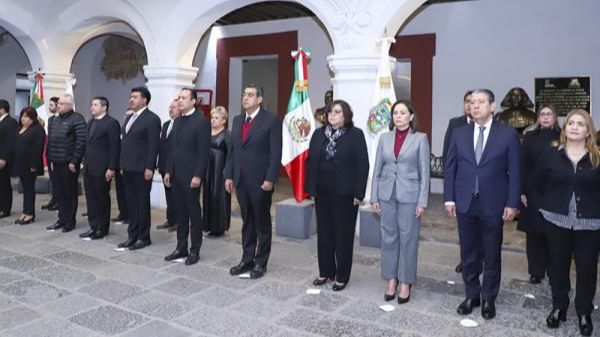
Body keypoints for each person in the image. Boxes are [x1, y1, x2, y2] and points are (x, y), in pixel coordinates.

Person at [444, 89, 520, 320]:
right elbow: (451, 168)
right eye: (471, 102)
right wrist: (449, 198)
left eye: (480, 102)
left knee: (491, 253)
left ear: (492, 106)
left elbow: (515, 171)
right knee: (468, 253)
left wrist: (512, 202)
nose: (475, 106)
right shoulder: (459, 133)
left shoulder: (507, 134)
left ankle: (488, 298)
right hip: (465, 202)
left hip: (494, 203)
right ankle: (472, 295)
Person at [538, 109, 600, 336]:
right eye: (571, 123)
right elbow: (538, 182)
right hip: (556, 220)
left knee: (586, 268)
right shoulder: (552, 154)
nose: (574, 126)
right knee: (557, 266)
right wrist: (549, 204)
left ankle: (584, 311)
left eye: (580, 124)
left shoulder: (597, 157)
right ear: (565, 129)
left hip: (590, 224)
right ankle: (559, 307)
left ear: (588, 131)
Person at [305, 99, 369, 291]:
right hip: (322, 193)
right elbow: (310, 162)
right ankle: (325, 272)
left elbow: (363, 165)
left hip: (346, 194)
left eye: (337, 112)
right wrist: (311, 190)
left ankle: (342, 275)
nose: (332, 115)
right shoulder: (318, 134)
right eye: (330, 112)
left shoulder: (355, 135)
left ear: (346, 115)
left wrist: (359, 193)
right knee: (324, 234)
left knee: (343, 235)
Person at [371, 100, 430, 303]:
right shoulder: (384, 138)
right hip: (386, 194)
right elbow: (377, 168)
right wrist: (374, 197)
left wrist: (422, 201)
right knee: (388, 238)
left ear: (411, 116)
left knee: (408, 239)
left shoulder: (420, 139)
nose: (398, 116)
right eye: (395, 112)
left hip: (410, 195)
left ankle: (405, 282)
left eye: (403, 112)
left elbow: (425, 173)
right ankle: (391, 280)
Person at [225, 84, 282, 279]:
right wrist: (229, 175)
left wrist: (270, 178)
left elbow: (275, 154)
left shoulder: (271, 120)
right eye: (244, 95)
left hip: (260, 181)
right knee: (247, 221)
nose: (245, 98)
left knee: (262, 222)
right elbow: (233, 151)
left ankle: (260, 262)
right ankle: (247, 258)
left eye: (250, 95)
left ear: (259, 99)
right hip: (241, 180)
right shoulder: (237, 119)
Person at [163, 88, 211, 265]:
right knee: (180, 214)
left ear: (194, 101)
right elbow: (172, 150)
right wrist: (168, 170)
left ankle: (194, 250)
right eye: (179, 98)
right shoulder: (178, 121)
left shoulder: (201, 122)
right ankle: (180, 247)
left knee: (193, 214)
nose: (180, 101)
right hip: (176, 175)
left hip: (191, 176)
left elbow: (203, 152)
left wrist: (198, 175)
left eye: (184, 98)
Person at [517, 104, 560, 284]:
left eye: (549, 114)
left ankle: (554, 270)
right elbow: (522, 165)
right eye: (542, 114)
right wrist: (522, 191)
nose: (545, 117)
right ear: (538, 117)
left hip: (555, 191)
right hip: (533, 191)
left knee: (554, 234)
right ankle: (536, 271)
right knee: (534, 234)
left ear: (555, 117)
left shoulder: (562, 137)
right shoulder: (530, 137)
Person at [118, 87, 161, 250]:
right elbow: (125, 142)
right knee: (131, 204)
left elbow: (153, 146)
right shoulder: (130, 118)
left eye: (135, 97)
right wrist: (122, 164)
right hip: (128, 168)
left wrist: (150, 167)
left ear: (144, 100)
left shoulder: (152, 119)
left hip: (142, 169)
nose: (131, 100)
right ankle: (132, 235)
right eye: (131, 97)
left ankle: (144, 237)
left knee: (141, 204)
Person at [79, 97, 120, 240]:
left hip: (103, 167)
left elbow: (115, 148)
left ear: (104, 107)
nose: (92, 107)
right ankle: (93, 226)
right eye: (92, 104)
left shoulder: (111, 123)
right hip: (89, 167)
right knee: (91, 198)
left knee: (102, 198)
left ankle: (102, 228)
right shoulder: (90, 122)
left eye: (95, 105)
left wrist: (111, 168)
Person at [46, 94, 87, 233]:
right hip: (55, 162)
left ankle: (70, 221)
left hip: (68, 164)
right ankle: (61, 219)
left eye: (62, 104)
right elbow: (51, 142)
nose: (58, 106)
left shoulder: (77, 119)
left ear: (70, 106)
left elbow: (80, 142)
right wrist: (50, 160)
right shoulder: (55, 120)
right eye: (58, 104)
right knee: (59, 193)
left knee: (69, 193)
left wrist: (74, 161)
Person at [442, 90, 473, 274]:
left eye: (474, 101)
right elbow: (448, 156)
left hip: (481, 186)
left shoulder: (491, 125)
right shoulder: (455, 124)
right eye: (467, 101)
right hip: (461, 185)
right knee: (464, 229)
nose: (470, 105)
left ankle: (481, 259)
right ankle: (466, 260)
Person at [12, 107, 45, 224]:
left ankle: (30, 214)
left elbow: (38, 149)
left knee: (29, 189)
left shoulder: (37, 130)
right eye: (22, 116)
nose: (23, 119)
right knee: (25, 189)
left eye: (26, 116)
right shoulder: (20, 128)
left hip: (30, 164)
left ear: (32, 118)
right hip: (20, 163)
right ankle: (25, 212)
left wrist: (34, 165)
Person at [202, 106, 231, 236]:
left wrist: (228, 175)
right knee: (208, 195)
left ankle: (219, 227)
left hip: (220, 171)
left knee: (219, 197)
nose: (213, 120)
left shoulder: (227, 135)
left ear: (223, 120)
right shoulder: (206, 133)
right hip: (208, 170)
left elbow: (231, 155)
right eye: (212, 118)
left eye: (216, 118)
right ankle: (209, 225)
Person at [157, 99, 181, 232]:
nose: (171, 109)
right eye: (170, 107)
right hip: (164, 165)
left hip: (175, 167)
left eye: (174, 107)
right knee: (168, 195)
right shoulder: (166, 124)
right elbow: (163, 145)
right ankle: (170, 219)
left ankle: (178, 221)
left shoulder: (181, 124)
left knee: (176, 195)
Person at [111, 109, 133, 226]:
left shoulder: (132, 131)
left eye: (129, 115)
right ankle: (122, 213)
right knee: (120, 191)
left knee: (127, 192)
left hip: (128, 166)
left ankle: (129, 215)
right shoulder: (121, 129)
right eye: (126, 115)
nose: (127, 117)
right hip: (119, 164)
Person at [0, 99, 18, 218]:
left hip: (3, 159)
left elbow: (9, 142)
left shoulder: (10, 122)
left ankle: (5, 209)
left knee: (4, 184)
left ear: (2, 109)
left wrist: (3, 158)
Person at [41, 96, 59, 211]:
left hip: (58, 156)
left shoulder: (62, 119)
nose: (49, 107)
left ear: (58, 105)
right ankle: (54, 200)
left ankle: (59, 202)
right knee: (53, 180)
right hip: (50, 153)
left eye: (51, 105)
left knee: (58, 181)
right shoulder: (51, 119)